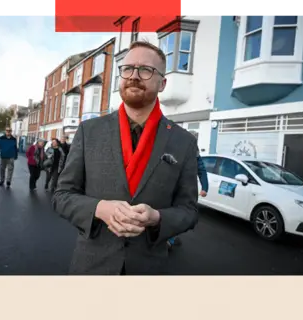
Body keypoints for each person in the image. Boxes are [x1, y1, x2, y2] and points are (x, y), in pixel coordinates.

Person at [52, 40, 199, 275]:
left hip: (149, 269)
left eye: (146, 70)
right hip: (91, 268)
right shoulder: (89, 131)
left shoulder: (185, 142)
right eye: (128, 68)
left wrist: (157, 218)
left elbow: (189, 211)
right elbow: (62, 196)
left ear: (162, 83)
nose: (134, 76)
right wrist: (99, 208)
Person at [167, 153, 209, 249]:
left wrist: (205, 188)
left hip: (183, 188)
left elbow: (201, 169)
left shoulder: (192, 148)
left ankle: (170, 240)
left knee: (177, 214)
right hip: (168, 185)